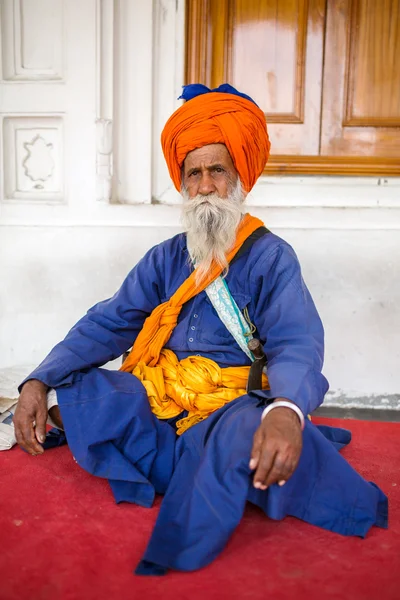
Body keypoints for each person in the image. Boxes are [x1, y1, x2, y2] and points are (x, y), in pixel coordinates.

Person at [13, 84, 388, 576]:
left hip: (227, 408)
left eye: (217, 170)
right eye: (195, 173)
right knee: (88, 387)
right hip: (161, 401)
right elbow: (110, 321)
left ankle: (188, 476)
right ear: (182, 183)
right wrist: (38, 379)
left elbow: (297, 343)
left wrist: (286, 411)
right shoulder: (167, 257)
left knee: (245, 430)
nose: (206, 185)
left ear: (239, 179)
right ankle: (186, 460)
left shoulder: (270, 257)